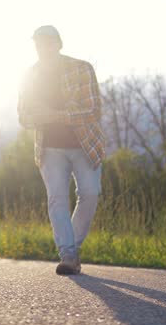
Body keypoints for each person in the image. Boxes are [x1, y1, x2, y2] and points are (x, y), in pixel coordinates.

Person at [18, 26, 105, 275]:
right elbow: (23, 117)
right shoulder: (29, 75)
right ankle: (68, 254)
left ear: (58, 44)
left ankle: (72, 248)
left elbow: (93, 110)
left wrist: (55, 115)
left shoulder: (81, 68)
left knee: (90, 193)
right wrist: (36, 116)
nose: (42, 48)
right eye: (38, 44)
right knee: (57, 199)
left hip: (84, 144)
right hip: (49, 148)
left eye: (46, 43)